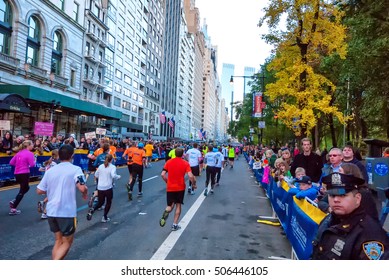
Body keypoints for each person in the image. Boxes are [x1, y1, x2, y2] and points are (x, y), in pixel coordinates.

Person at [311, 172, 389, 260]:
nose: (336, 199)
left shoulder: (370, 235)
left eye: (343, 195)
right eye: (332, 195)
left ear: (357, 199)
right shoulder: (329, 219)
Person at [36, 144, 88, 260]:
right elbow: (82, 188)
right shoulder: (76, 169)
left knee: (58, 240)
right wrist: (85, 192)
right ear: (72, 156)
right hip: (66, 212)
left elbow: (39, 190)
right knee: (67, 242)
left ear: (58, 156)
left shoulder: (51, 171)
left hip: (51, 211)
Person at [159, 148, 196, 231]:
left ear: (175, 154)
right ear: (182, 154)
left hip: (170, 187)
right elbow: (190, 176)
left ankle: (166, 212)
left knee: (170, 205)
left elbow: (162, 174)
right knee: (178, 204)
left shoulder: (169, 162)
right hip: (180, 187)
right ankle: (174, 224)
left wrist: (167, 181)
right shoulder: (185, 163)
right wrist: (193, 184)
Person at [87, 154, 120, 223]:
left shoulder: (100, 166)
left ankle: (93, 209)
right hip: (108, 187)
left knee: (100, 202)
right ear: (111, 160)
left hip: (100, 187)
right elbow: (113, 175)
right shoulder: (112, 167)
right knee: (108, 202)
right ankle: (104, 216)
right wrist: (118, 177)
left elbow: (96, 175)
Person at [8, 140, 35, 215]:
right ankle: (13, 208)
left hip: (17, 173)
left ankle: (14, 201)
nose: (33, 146)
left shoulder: (19, 153)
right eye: (32, 144)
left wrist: (19, 164)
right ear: (28, 145)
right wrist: (34, 160)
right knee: (22, 190)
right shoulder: (30, 153)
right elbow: (32, 164)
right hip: (24, 173)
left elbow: (11, 162)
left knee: (26, 188)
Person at [38, 149, 60, 219]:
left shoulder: (48, 162)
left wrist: (46, 169)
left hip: (46, 180)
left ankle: (44, 208)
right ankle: (45, 210)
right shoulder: (57, 162)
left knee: (52, 195)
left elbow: (40, 169)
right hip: (53, 180)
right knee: (54, 196)